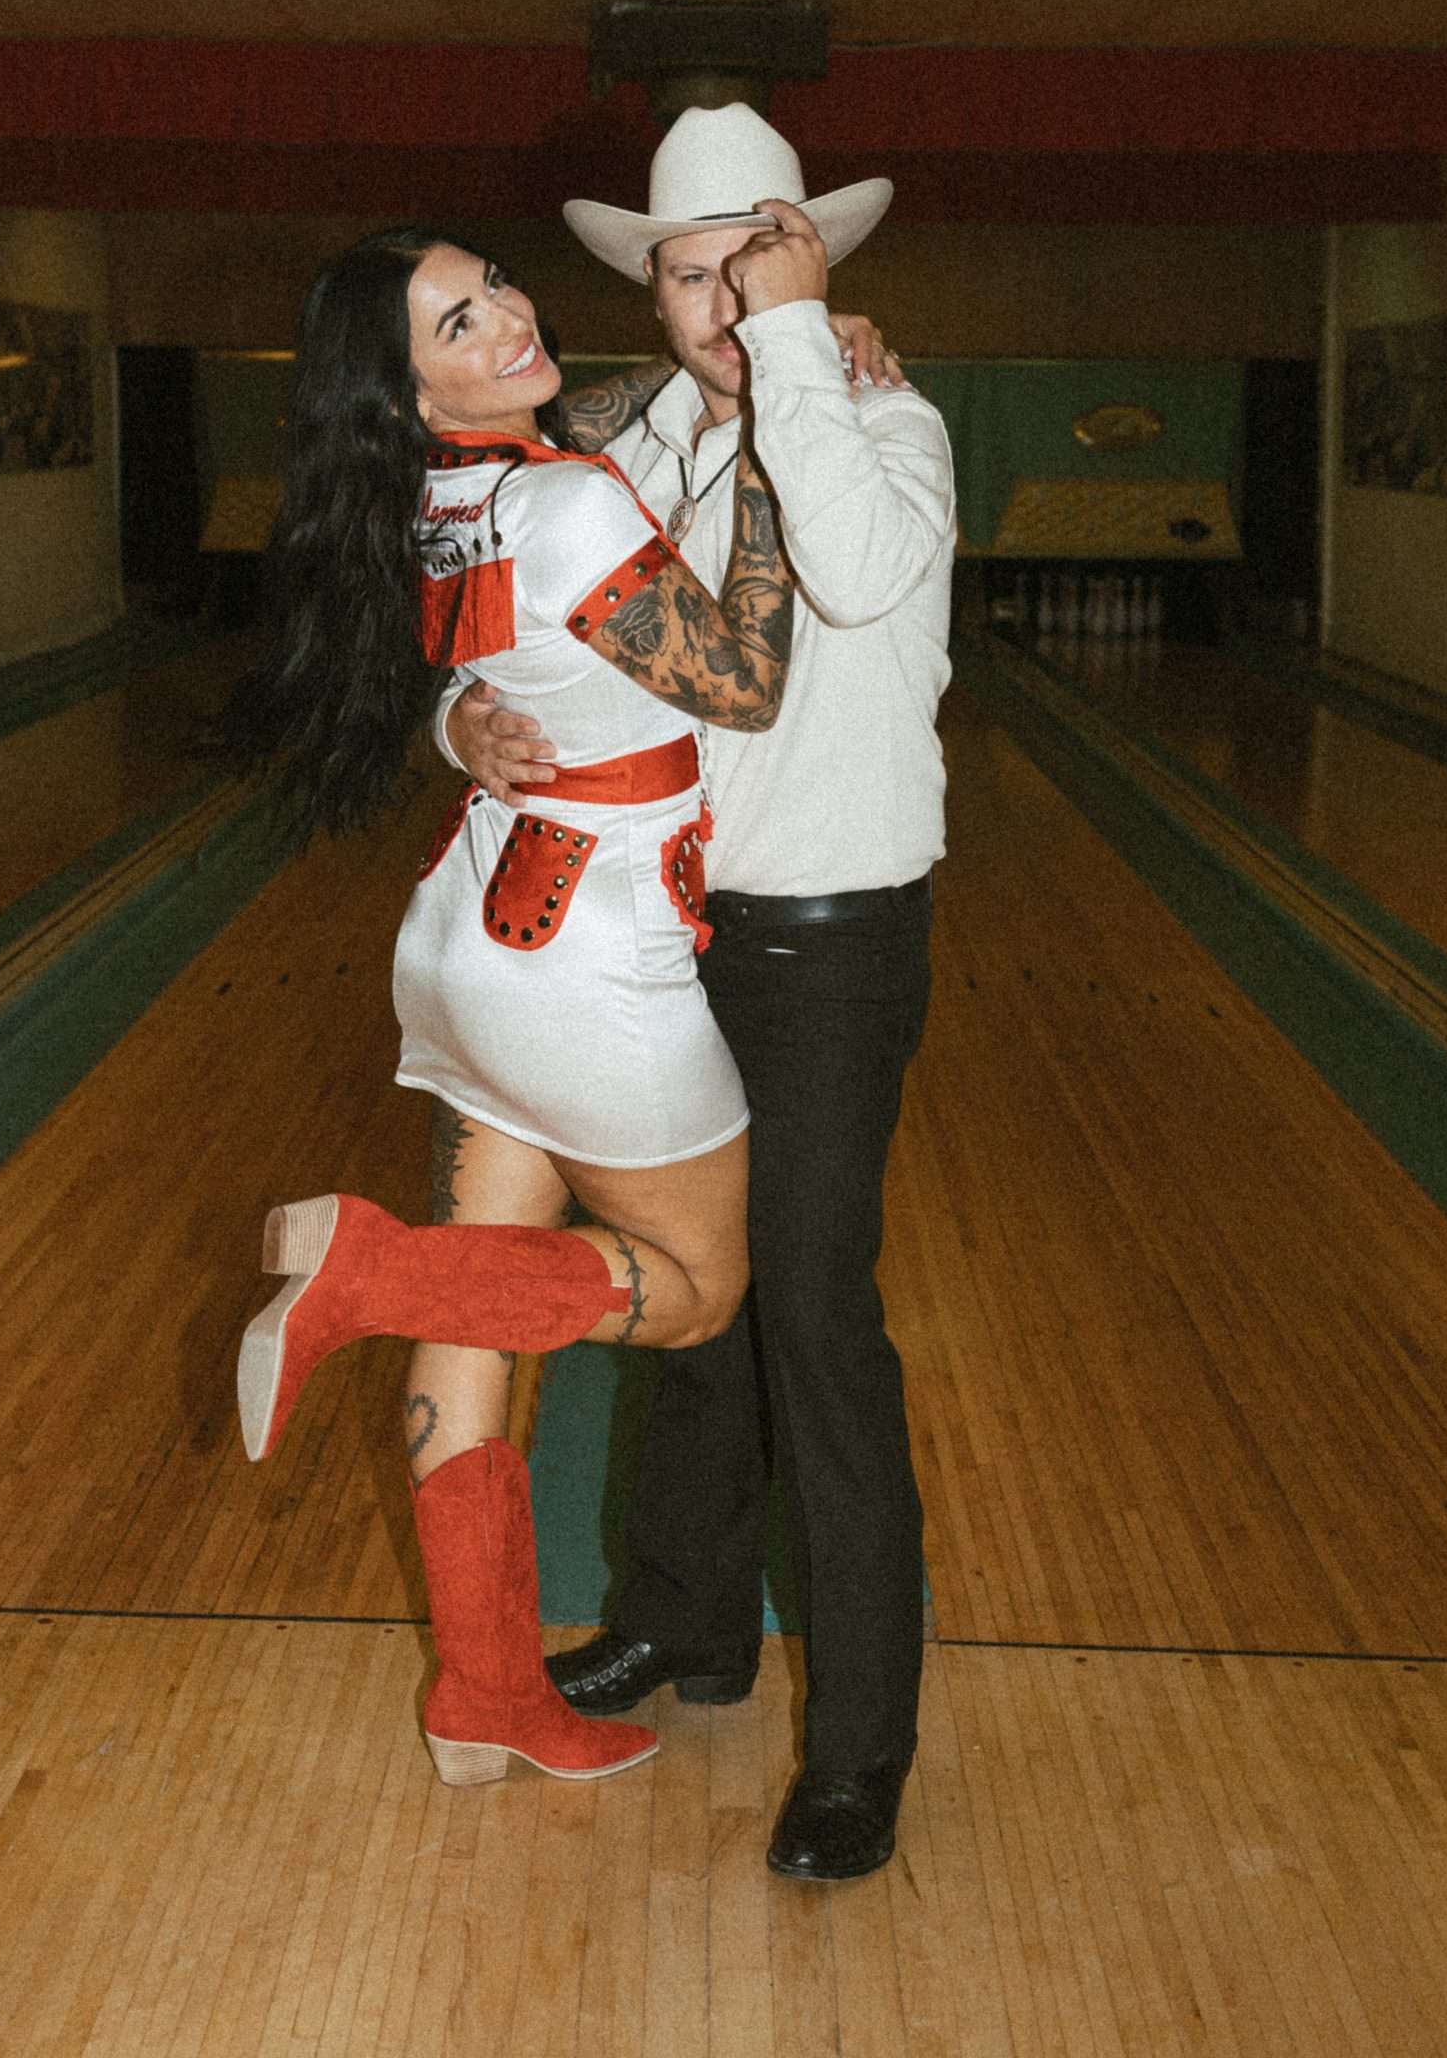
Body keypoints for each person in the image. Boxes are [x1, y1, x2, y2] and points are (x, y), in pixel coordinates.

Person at [222, 209, 841, 1792]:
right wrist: (772, 456)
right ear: (414, 393)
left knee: (477, 1320)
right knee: (694, 1294)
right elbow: (742, 678)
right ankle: (363, 1270)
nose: (507, 316)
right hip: (588, 958)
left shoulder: (433, 502)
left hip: (475, 939)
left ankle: (487, 1690)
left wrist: (456, 732)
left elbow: (482, 666)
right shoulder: (560, 502)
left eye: (492, 283)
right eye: (458, 324)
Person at [445, 102, 956, 1881]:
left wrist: (801, 347)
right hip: (655, 932)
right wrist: (464, 719)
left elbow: (856, 572)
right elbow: (518, 623)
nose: (725, 297)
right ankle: (687, 1618)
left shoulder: (888, 423)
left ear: (814, 263)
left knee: (812, 1317)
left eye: (761, 258)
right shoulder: (622, 443)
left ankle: (863, 1745)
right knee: (687, 1303)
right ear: (649, 294)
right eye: (691, 272)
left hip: (827, 945)